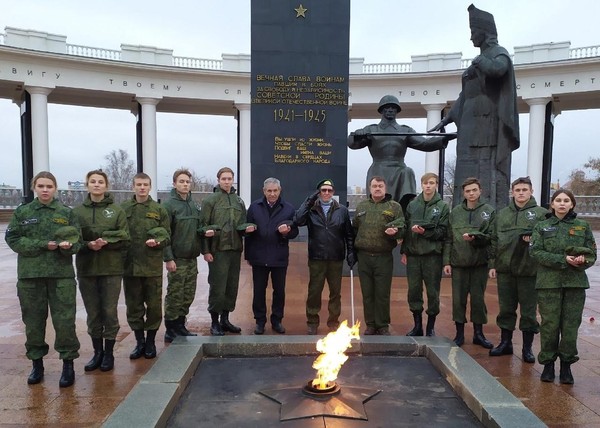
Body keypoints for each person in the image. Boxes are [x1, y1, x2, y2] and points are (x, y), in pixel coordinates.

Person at [429, 4, 519, 210]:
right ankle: (462, 212)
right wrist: (446, 119)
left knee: (486, 168)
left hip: (486, 126)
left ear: (484, 33)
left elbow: (499, 70)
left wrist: (480, 61)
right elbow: (465, 96)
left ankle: (489, 211)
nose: (471, 38)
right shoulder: (478, 62)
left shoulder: (498, 52)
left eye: (473, 33)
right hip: (468, 127)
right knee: (464, 168)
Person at [5, 171, 81, 387]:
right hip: (31, 277)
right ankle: (36, 364)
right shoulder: (23, 212)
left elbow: (77, 242)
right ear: (34, 188)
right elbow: (12, 238)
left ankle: (68, 364)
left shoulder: (66, 213)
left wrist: (68, 247)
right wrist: (41, 245)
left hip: (61, 277)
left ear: (55, 188)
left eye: (49, 186)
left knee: (65, 321)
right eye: (41, 186)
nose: (45, 189)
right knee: (33, 322)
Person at [530, 189, 597, 384]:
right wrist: (563, 259)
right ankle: (548, 365)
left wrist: (582, 260)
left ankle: (566, 366)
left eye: (566, 200)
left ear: (572, 204)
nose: (562, 203)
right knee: (549, 325)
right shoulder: (542, 226)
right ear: (551, 204)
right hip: (548, 284)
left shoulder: (582, 226)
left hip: (574, 284)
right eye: (558, 200)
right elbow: (535, 252)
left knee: (570, 326)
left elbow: (592, 254)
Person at [348, 94, 453, 211]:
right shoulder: (371, 129)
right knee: (378, 204)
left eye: (393, 108)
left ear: (397, 110)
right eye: (387, 107)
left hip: (399, 171)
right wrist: (356, 135)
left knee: (408, 172)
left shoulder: (405, 130)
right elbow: (352, 145)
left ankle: (404, 212)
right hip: (378, 169)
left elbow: (424, 143)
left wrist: (445, 138)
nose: (390, 110)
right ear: (381, 110)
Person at [73, 170, 130, 373]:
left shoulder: (116, 211)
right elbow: (73, 240)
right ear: (87, 185)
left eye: (100, 182)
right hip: (87, 269)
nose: (96, 185)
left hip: (111, 269)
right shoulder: (77, 212)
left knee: (109, 311)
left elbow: (125, 236)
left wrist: (107, 240)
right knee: (93, 312)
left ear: (106, 186)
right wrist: (89, 245)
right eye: (92, 182)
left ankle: (109, 353)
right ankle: (97, 352)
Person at [488, 177, 548, 362]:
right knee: (506, 309)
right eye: (518, 190)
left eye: (524, 189)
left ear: (531, 192)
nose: (521, 193)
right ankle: (505, 343)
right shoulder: (502, 214)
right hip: (505, 269)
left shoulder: (542, 214)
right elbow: (493, 240)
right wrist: (492, 264)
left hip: (529, 271)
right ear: (512, 192)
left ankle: (527, 349)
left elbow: (548, 241)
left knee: (528, 311)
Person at [295, 179, 355, 335]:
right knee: (314, 291)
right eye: (323, 190)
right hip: (317, 257)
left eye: (329, 190)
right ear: (318, 193)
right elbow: (298, 220)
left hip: (336, 257)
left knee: (335, 292)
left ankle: (333, 321)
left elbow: (348, 234)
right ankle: (312, 321)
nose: (326, 193)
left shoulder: (342, 210)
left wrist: (350, 252)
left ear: (333, 192)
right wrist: (310, 201)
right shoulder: (312, 210)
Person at [200, 167, 255, 336]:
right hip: (218, 251)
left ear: (233, 180)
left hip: (234, 250)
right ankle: (214, 321)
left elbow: (242, 223)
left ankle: (225, 319)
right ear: (218, 180)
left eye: (229, 178)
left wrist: (247, 229)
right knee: (218, 286)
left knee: (231, 286)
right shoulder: (211, 201)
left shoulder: (239, 201)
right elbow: (203, 226)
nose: (226, 181)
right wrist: (206, 251)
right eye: (223, 178)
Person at [121, 173, 170, 359]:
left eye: (145, 184)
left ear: (150, 187)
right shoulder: (123, 209)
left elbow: (167, 236)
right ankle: (139, 341)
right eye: (139, 184)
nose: (142, 188)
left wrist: (158, 241)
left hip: (151, 266)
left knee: (154, 306)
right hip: (130, 266)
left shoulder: (158, 209)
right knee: (134, 306)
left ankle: (150, 341)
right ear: (133, 186)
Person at [443, 177, 494, 348]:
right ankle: (459, 334)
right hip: (459, 264)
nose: (471, 193)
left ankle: (479, 334)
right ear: (463, 193)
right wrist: (447, 262)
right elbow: (449, 239)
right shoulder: (456, 212)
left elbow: (492, 239)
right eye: (468, 191)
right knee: (459, 300)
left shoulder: (488, 211)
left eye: (474, 190)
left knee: (478, 300)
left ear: (480, 191)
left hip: (480, 264)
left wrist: (477, 239)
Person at [245, 177, 298, 335]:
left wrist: (287, 232)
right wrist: (248, 255)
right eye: (269, 191)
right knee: (259, 291)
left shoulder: (288, 208)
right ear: (264, 191)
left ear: (280, 191)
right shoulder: (254, 207)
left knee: (279, 291)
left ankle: (277, 320)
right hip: (259, 256)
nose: (272, 194)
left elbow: (294, 231)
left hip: (279, 257)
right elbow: (246, 231)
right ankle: (260, 321)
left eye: (275, 191)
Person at [352, 176, 405, 335]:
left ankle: (382, 324)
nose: (377, 188)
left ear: (385, 188)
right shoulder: (362, 206)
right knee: (367, 293)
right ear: (370, 188)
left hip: (383, 257)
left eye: (380, 186)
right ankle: (370, 324)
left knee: (382, 293)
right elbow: (355, 228)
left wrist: (395, 232)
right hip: (364, 256)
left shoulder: (394, 207)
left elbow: (402, 227)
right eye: (374, 186)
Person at [401, 173, 449, 337]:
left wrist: (425, 232)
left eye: (431, 183)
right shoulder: (413, 205)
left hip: (432, 256)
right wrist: (405, 251)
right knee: (414, 291)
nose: (428, 186)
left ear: (436, 185)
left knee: (433, 292)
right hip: (414, 255)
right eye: (425, 183)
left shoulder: (442, 206)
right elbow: (407, 229)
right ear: (421, 185)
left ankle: (430, 327)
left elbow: (443, 231)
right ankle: (417, 326)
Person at [162, 169, 202, 342]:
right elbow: (164, 234)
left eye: (187, 181)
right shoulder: (169, 206)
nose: (185, 184)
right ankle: (170, 329)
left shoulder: (193, 205)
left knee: (188, 294)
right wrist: (168, 258)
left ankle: (180, 325)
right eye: (181, 181)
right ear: (174, 184)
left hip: (192, 258)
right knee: (175, 294)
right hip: (177, 259)